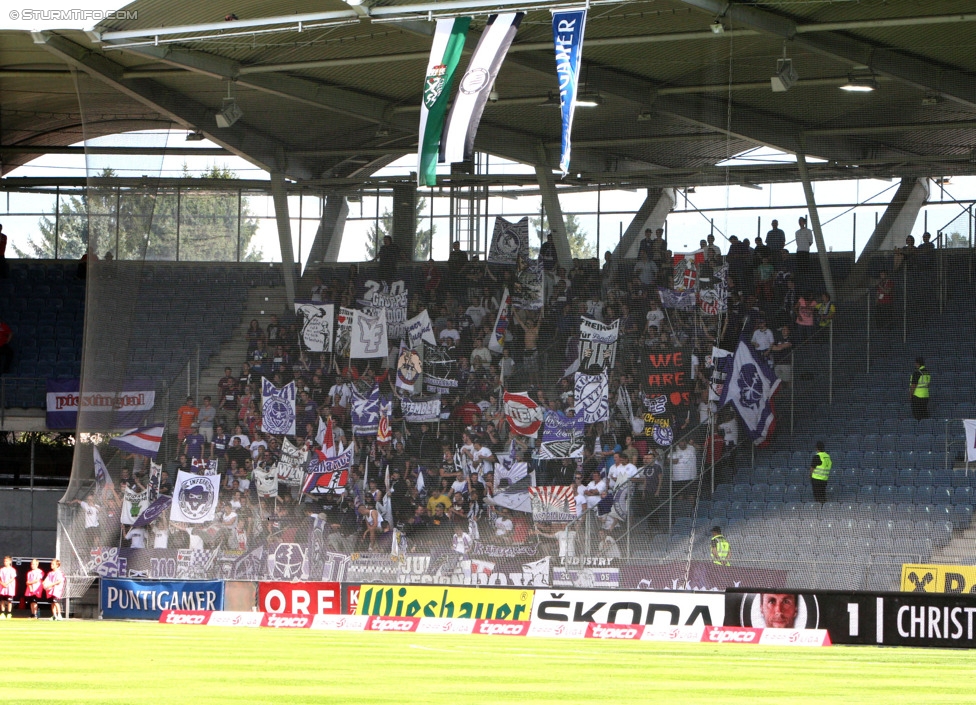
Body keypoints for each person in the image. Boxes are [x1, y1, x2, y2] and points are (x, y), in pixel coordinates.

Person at [910, 356, 931, 421]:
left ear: (917, 364)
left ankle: (919, 428)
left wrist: (911, 395)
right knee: (924, 413)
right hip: (926, 396)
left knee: (917, 415)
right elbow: (928, 384)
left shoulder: (917, 373)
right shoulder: (927, 373)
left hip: (917, 396)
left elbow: (913, 385)